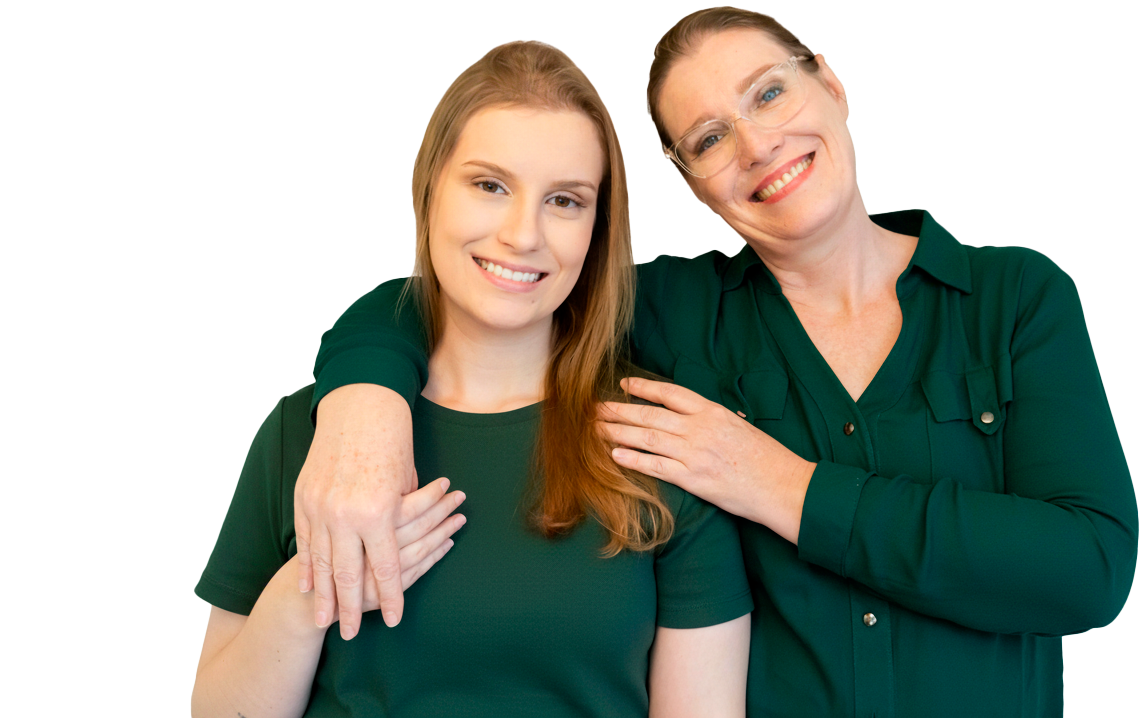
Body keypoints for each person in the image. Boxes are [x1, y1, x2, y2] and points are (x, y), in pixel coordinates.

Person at [294, 9, 1139, 717]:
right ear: (690, 180)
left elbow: (1089, 568)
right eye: (708, 139)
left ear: (831, 84)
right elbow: (483, 285)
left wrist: (780, 485)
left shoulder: (1013, 300)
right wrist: (363, 408)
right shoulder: (672, 313)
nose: (758, 145)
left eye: (769, 93)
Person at [191, 40, 752, 718]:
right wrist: (314, 587)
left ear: (597, 228)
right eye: (490, 186)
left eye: (565, 201)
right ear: (431, 189)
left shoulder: (661, 446)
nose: (523, 234)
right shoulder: (310, 434)